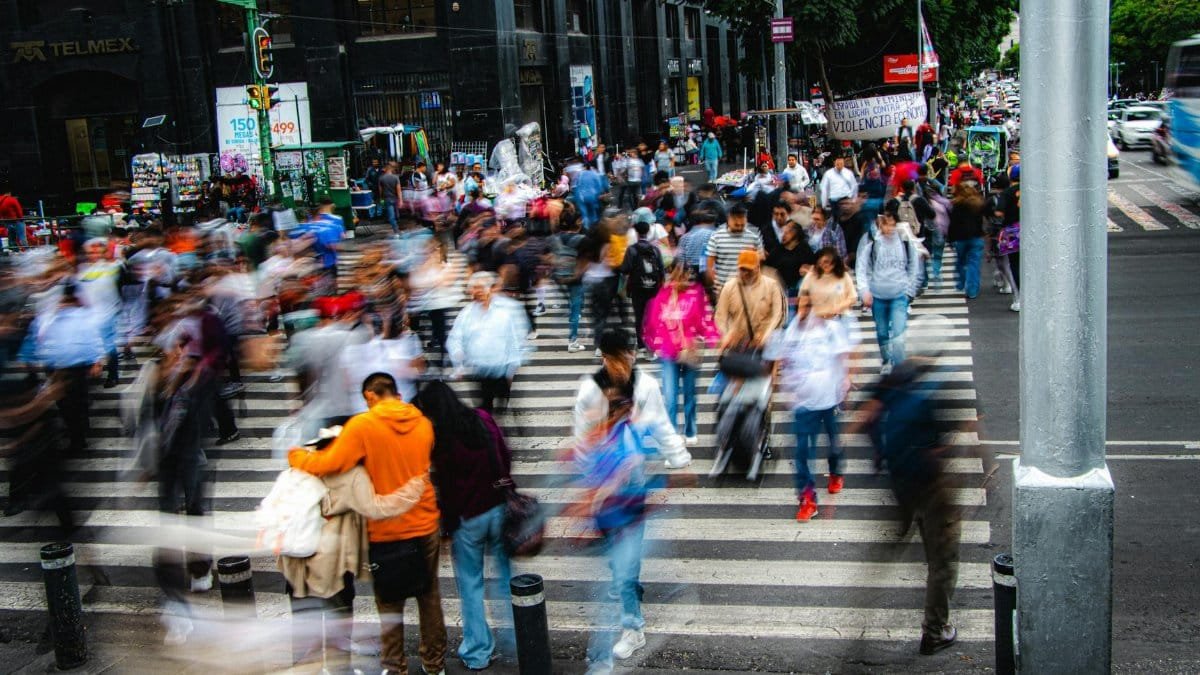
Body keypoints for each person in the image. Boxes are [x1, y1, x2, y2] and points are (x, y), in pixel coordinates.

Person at [288, 372, 445, 675]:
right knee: (429, 597)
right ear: (395, 394)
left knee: (389, 603)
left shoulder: (363, 425)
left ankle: (395, 667)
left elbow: (329, 463)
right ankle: (434, 664)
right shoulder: (423, 424)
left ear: (371, 395)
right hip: (425, 523)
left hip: (386, 531)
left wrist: (296, 456)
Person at [858, 319, 962, 656]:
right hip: (933, 486)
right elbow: (955, 437)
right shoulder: (943, 382)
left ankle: (864, 602)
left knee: (893, 541)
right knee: (941, 561)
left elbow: (865, 418)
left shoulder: (897, 374)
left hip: (900, 480)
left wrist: (880, 453)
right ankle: (934, 631)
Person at [416, 381, 516, 671]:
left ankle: (478, 651)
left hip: (468, 520)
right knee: (506, 577)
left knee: (471, 585)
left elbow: (445, 489)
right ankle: (521, 637)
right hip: (498, 508)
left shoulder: (442, 438)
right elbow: (505, 455)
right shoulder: (482, 419)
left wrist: (446, 528)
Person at [765, 289, 856, 522]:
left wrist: (845, 380)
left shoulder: (830, 329)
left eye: (808, 305)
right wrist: (777, 384)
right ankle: (808, 499)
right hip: (802, 403)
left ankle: (836, 471)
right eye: (801, 306)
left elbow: (845, 356)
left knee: (833, 440)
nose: (804, 310)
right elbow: (779, 359)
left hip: (828, 396)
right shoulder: (791, 332)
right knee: (803, 452)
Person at [643, 261, 720, 444]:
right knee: (670, 397)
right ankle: (671, 434)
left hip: (689, 352)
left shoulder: (696, 294)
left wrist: (713, 338)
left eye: (685, 275)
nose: (681, 279)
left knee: (689, 393)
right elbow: (653, 321)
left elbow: (704, 321)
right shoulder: (662, 295)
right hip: (668, 354)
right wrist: (653, 343)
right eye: (677, 274)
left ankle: (690, 430)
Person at [446, 271, 531, 412]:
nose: (477, 291)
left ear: (490, 289)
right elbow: (455, 337)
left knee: (502, 403)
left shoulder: (504, 312)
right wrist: (458, 358)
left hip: (501, 369)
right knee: (485, 408)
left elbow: (514, 341)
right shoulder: (466, 313)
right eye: (474, 288)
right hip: (479, 370)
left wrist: (512, 369)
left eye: (481, 287)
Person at [855, 206, 920, 375]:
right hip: (878, 296)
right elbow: (861, 267)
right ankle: (886, 359)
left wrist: (909, 291)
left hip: (899, 295)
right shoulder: (872, 242)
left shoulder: (905, 241)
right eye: (886, 225)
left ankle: (900, 368)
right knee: (882, 332)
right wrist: (864, 291)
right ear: (880, 225)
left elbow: (914, 265)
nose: (889, 229)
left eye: (892, 224)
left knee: (898, 335)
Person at [714, 250, 785, 354]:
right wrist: (726, 334)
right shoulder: (729, 287)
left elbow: (778, 315)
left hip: (763, 345)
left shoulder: (772, 286)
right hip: (737, 344)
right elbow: (720, 316)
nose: (746, 273)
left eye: (749, 269)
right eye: (742, 269)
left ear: (757, 268)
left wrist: (767, 336)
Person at [619, 211, 665, 354]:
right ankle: (651, 340)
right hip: (653, 288)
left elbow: (625, 269)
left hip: (637, 288)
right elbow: (662, 270)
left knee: (639, 315)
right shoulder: (655, 250)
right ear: (648, 232)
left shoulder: (631, 250)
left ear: (637, 233)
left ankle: (640, 344)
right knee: (652, 314)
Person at [764, 220, 817, 320]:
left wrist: (807, 270)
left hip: (797, 291)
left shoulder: (804, 249)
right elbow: (768, 268)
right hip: (779, 289)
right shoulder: (778, 249)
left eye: (787, 232)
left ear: (795, 233)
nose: (783, 235)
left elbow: (814, 268)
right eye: (783, 232)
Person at [704, 204, 764, 291]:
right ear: (729, 219)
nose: (739, 226)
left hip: (747, 290)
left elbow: (760, 263)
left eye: (742, 225)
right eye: (736, 225)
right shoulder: (716, 237)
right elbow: (709, 266)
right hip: (722, 288)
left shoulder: (753, 238)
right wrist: (716, 286)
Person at [947, 182, 987, 300]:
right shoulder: (978, 204)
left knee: (960, 261)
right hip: (976, 236)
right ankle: (972, 290)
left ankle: (961, 281)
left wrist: (950, 238)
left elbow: (953, 223)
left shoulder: (956, 205)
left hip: (960, 238)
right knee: (974, 264)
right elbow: (982, 221)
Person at [379, 162, 404, 234]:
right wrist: (401, 200)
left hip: (387, 199)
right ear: (391, 169)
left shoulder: (381, 178)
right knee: (397, 215)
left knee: (391, 216)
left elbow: (380, 191)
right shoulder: (396, 177)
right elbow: (398, 190)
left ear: (386, 169)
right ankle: (398, 229)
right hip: (395, 198)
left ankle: (396, 230)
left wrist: (381, 199)